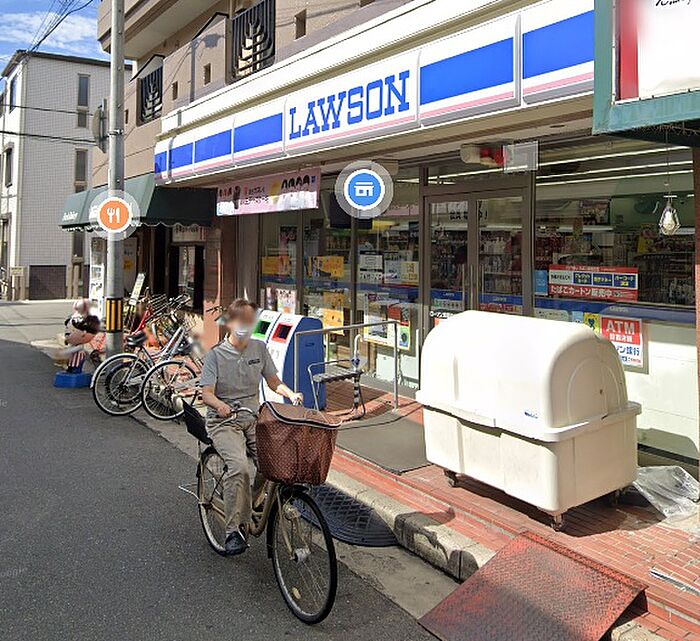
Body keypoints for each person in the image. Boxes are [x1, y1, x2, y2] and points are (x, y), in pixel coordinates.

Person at [200, 298, 303, 556]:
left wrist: (290, 393)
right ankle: (233, 530)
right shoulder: (215, 355)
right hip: (224, 422)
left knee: (273, 464)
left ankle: (251, 502)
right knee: (239, 467)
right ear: (230, 323)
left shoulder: (259, 348)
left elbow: (273, 381)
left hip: (252, 418)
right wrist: (220, 405)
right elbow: (206, 393)